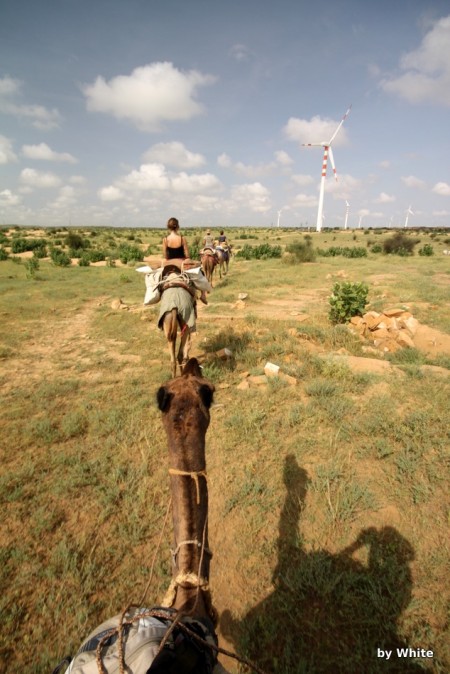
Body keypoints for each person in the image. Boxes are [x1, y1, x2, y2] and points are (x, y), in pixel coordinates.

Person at [162, 217, 208, 304]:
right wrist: (188, 260)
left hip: (169, 264)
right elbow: (187, 255)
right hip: (182, 264)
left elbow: (165, 256)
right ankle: (203, 295)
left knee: (158, 277)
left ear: (168, 227)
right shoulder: (182, 238)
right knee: (201, 271)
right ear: (178, 226)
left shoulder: (165, 240)